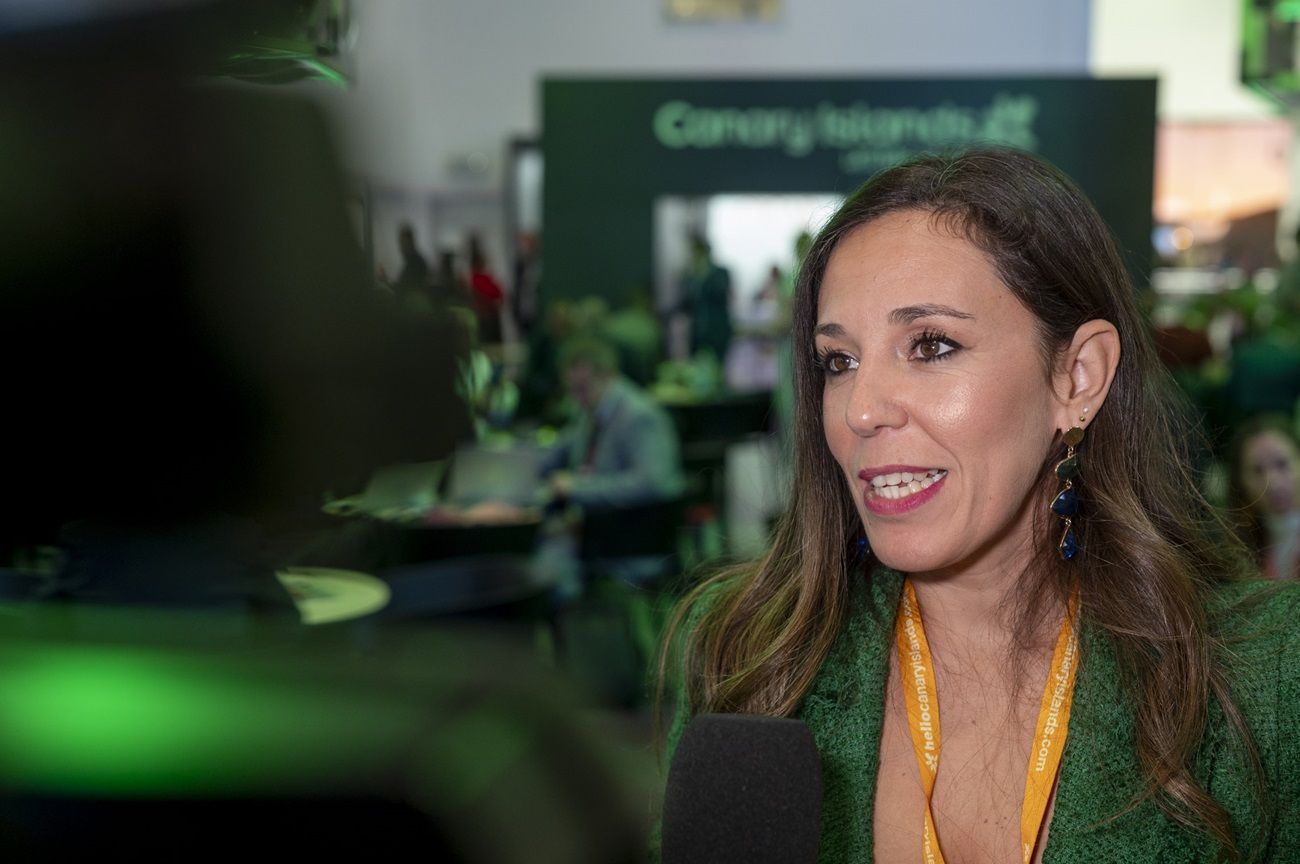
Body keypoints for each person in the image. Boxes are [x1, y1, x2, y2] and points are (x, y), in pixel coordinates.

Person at [657, 149, 1299, 863]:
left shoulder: (1262, 679)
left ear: (1078, 377)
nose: (861, 411)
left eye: (930, 345)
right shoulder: (748, 658)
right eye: (839, 361)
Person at [1228, 414, 1300, 579]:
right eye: (1257, 471)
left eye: (1282, 464)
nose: (1273, 483)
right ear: (1241, 482)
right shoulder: (1240, 550)